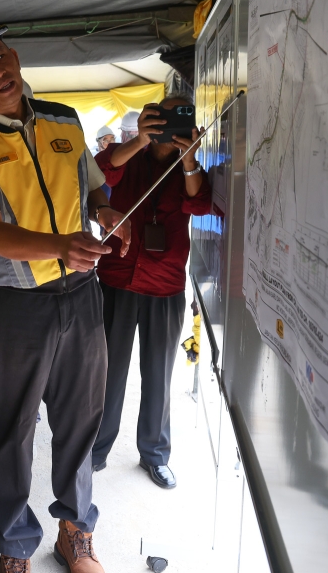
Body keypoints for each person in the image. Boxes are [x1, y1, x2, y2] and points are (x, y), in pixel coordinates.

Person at [0, 11, 131, 573]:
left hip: (82, 295)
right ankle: (15, 544)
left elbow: (92, 190)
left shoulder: (64, 121)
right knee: (12, 426)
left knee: (80, 417)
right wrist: (59, 246)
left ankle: (75, 530)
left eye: (0, 55)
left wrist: (106, 212)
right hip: (15, 306)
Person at [91, 96, 211, 489]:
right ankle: (95, 449)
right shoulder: (127, 153)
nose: (168, 124)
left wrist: (190, 159)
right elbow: (100, 173)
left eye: (179, 116)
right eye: (161, 115)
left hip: (165, 285)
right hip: (118, 279)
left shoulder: (186, 164)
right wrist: (141, 139)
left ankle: (155, 454)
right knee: (108, 372)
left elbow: (199, 202)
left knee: (159, 374)